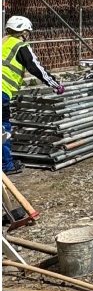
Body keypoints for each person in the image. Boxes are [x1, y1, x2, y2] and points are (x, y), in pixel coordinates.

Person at [2, 16, 64, 174]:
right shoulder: (20, 46)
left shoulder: (3, 43)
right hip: (2, 91)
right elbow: (35, 67)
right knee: (3, 129)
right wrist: (55, 84)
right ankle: (6, 166)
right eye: (27, 32)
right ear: (23, 32)